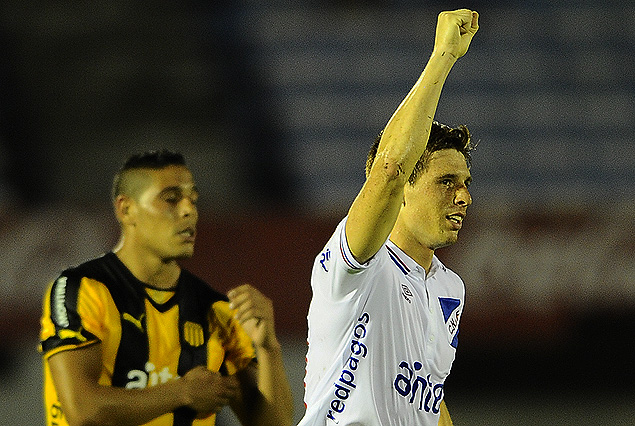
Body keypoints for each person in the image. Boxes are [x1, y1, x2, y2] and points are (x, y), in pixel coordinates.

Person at [299, 9, 479, 426]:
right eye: (446, 182)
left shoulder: (450, 287)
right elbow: (390, 168)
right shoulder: (357, 265)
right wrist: (443, 56)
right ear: (402, 195)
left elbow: (428, 400)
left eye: (466, 182)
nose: (465, 196)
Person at [39, 150, 293, 426]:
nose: (189, 210)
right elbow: (83, 411)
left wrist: (268, 348)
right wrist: (182, 392)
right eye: (171, 199)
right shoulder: (83, 289)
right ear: (126, 209)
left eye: (193, 200)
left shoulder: (215, 311)